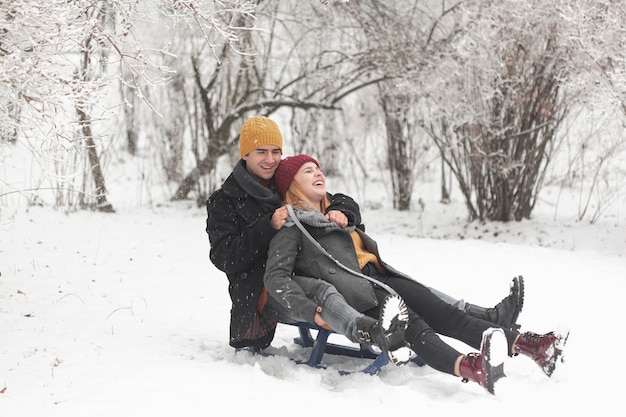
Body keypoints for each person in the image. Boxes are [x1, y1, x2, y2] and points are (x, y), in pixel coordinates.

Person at [206, 115, 523, 352]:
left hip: (324, 273)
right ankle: (457, 341)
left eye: (276, 151)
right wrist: (267, 226)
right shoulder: (224, 201)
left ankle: (485, 320)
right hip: (269, 290)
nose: (271, 159)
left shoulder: (280, 180)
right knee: (397, 295)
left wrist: (343, 211)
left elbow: (331, 195)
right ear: (244, 154)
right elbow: (223, 257)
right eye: (261, 151)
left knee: (410, 289)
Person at [263, 154, 569, 394]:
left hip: (380, 275)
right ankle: (470, 368)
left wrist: (342, 215)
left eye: (318, 169)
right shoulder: (291, 228)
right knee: (416, 328)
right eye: (307, 171)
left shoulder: (338, 213)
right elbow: (275, 278)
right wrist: (310, 309)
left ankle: (534, 347)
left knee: (449, 314)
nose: (317, 173)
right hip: (358, 291)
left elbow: (354, 225)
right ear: (291, 185)